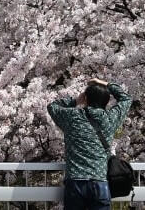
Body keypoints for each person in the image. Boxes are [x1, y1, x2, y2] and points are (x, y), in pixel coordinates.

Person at [47, 77, 132, 210]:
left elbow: (52, 107)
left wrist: (75, 100)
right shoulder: (110, 119)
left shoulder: (72, 116)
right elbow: (126, 98)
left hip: (75, 183)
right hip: (100, 183)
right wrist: (105, 84)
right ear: (107, 101)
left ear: (85, 98)